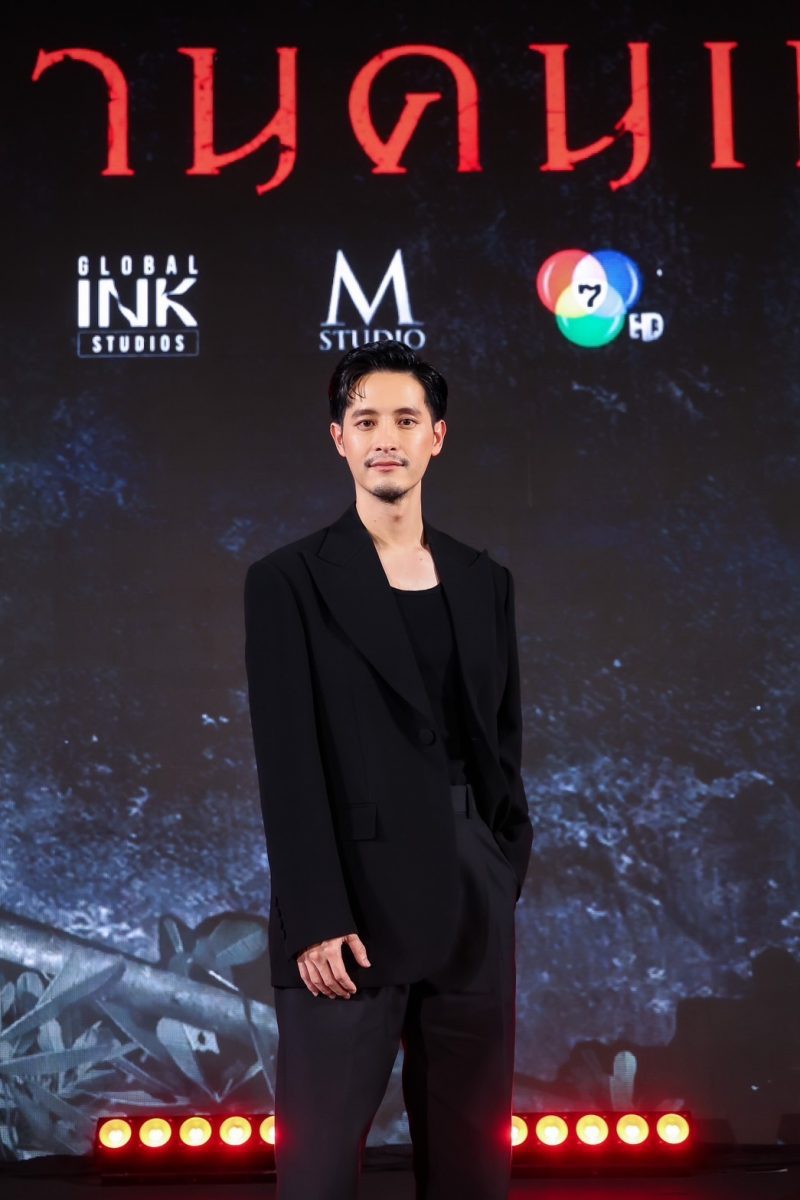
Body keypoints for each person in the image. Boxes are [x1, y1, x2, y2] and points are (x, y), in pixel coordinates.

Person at [244, 339, 533, 1200]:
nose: (386, 438)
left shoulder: (483, 580)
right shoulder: (288, 580)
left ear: (436, 437)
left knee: (472, 1166)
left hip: (471, 893)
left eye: (406, 420)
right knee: (319, 1171)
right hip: (349, 909)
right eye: (366, 420)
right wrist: (315, 917)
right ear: (338, 438)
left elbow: (502, 740)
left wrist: (501, 860)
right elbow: (287, 760)